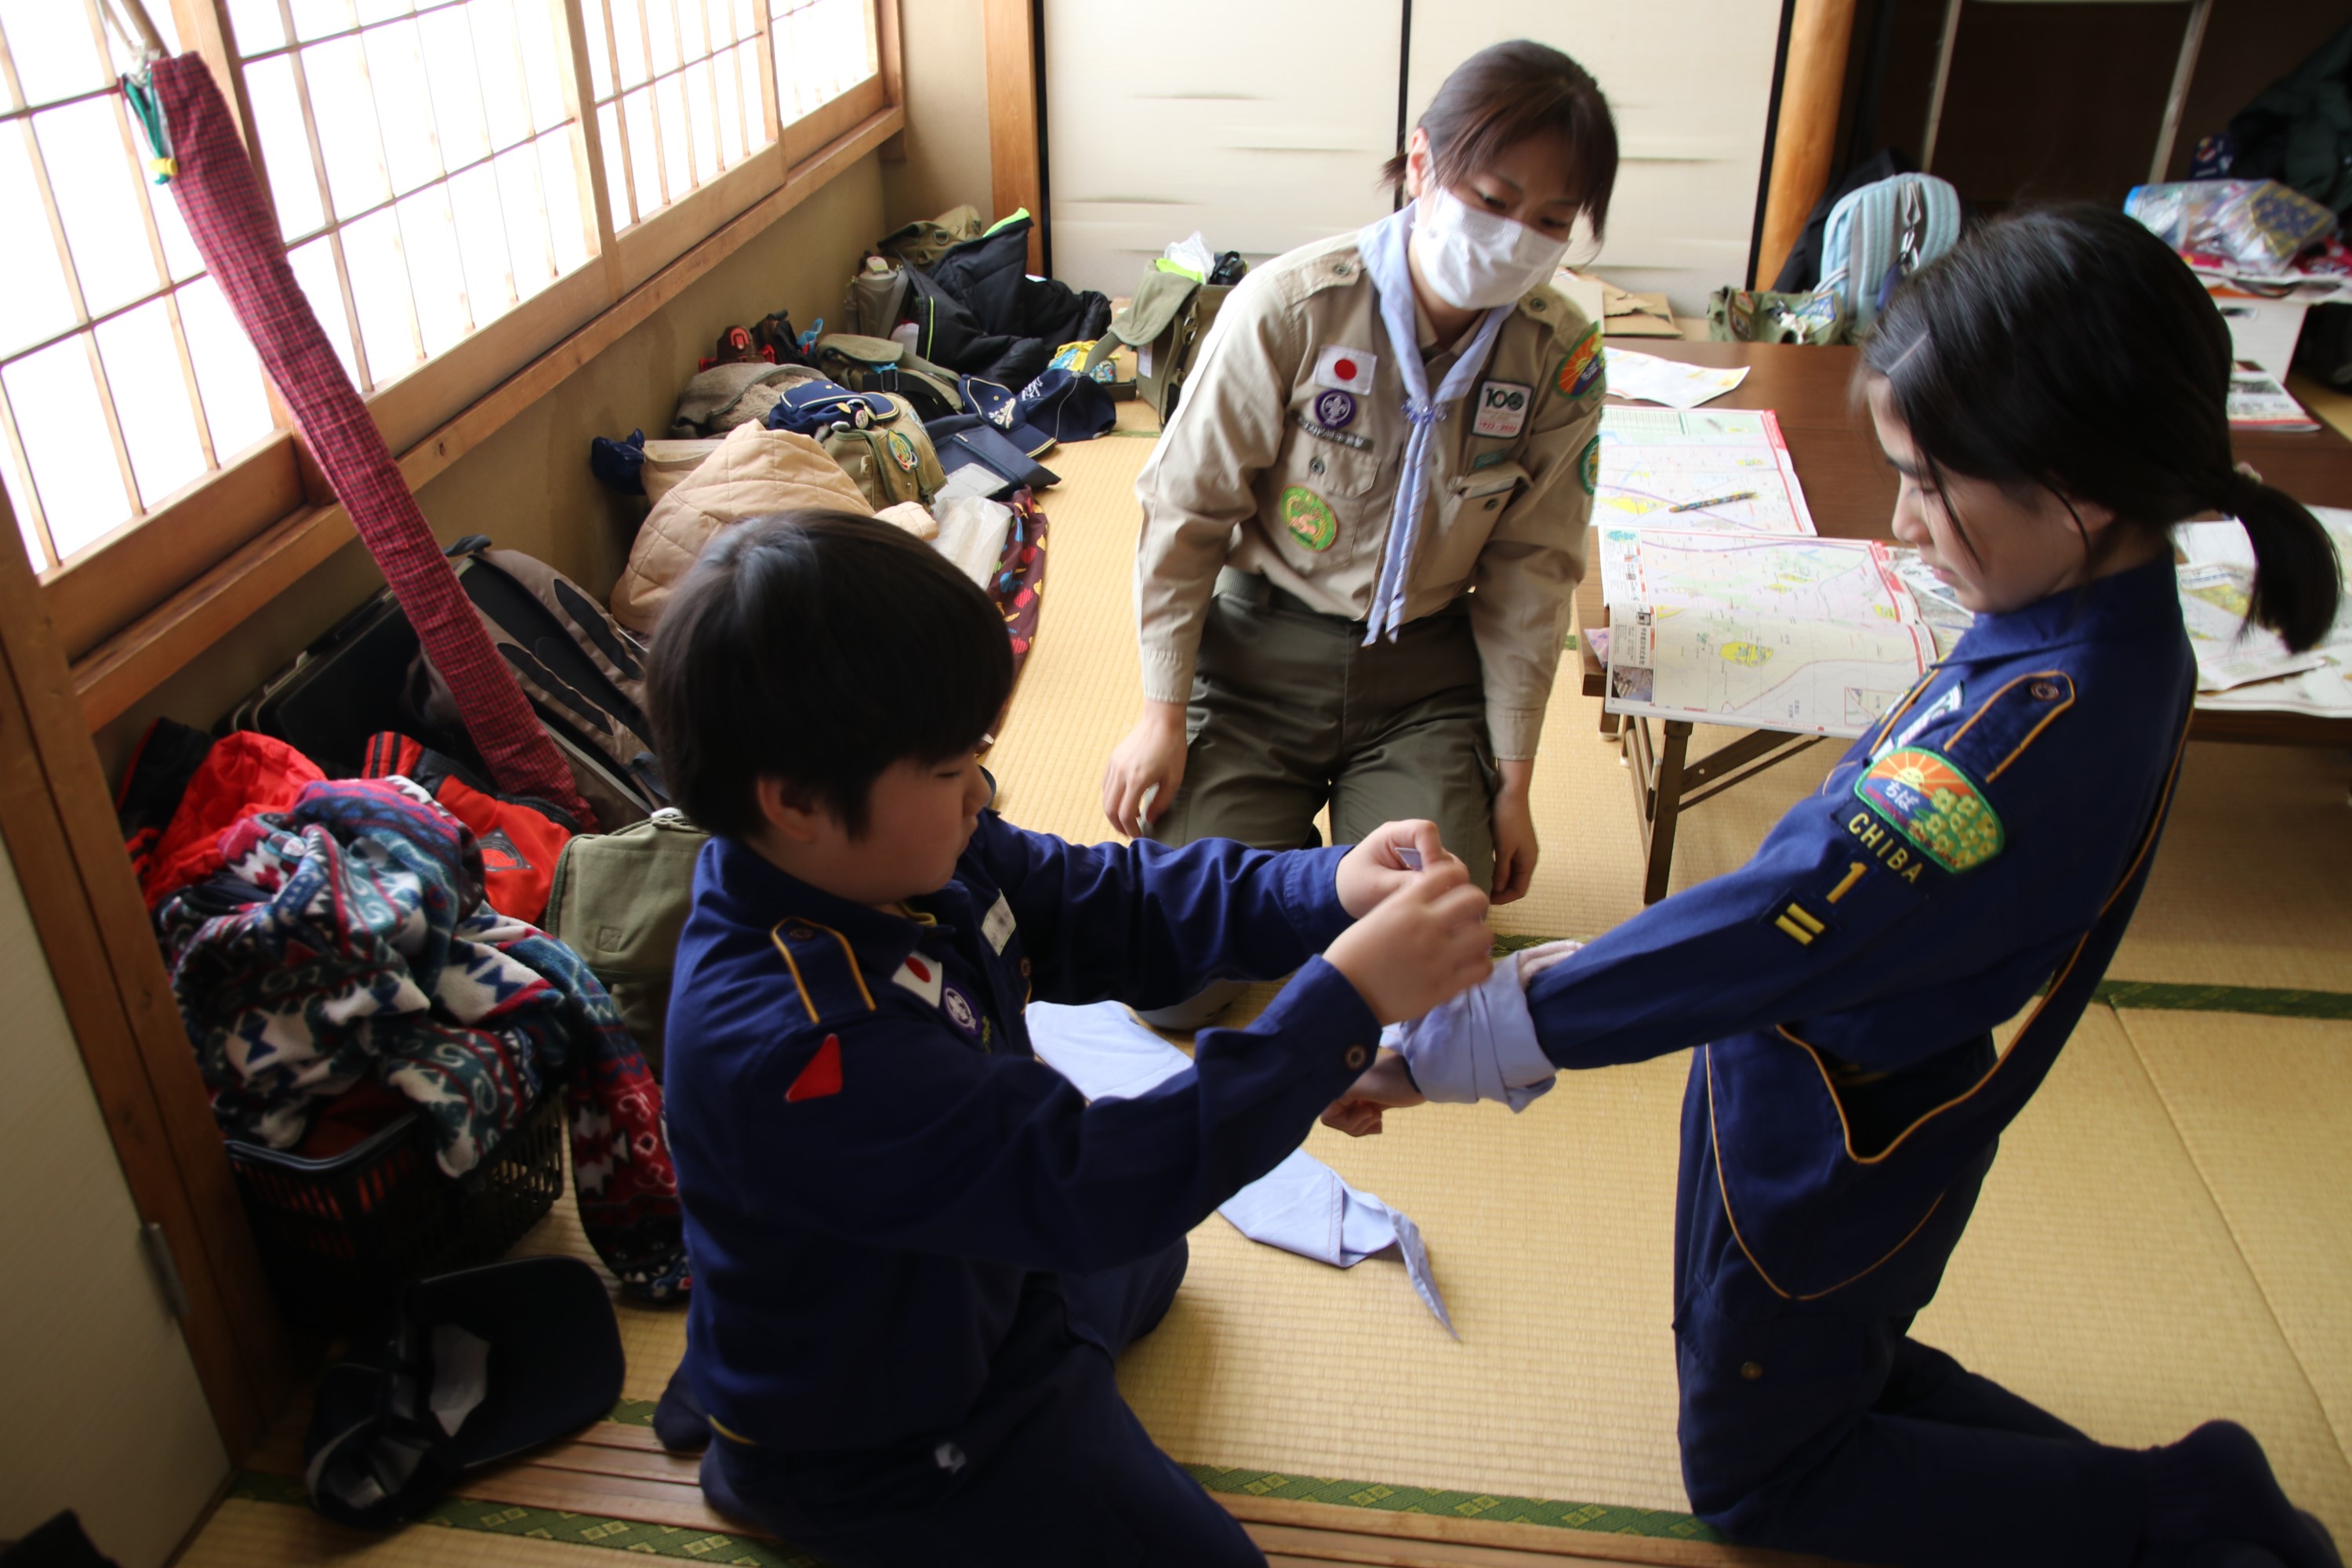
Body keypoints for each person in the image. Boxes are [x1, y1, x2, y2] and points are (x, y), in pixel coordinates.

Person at [1323, 207, 2346, 1568]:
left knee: (1760, 1478)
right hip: (1828, 1065)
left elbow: (1773, 927)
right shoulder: (2092, 619)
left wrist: (1446, 1047)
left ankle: (2186, 1513)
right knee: (1794, 1355)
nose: (1908, 524)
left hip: (1838, 1121)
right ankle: (2155, 1484)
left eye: (1929, 483)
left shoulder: (2028, 730)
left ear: (2081, 487)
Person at [642, 511, 1497, 1568]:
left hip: (977, 1268)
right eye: (951, 769)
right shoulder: (799, 1048)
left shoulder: (899, 858)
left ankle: (935, 1381)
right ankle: (772, 1464)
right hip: (897, 1437)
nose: (981, 792)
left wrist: (1324, 886)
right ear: (799, 801)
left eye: (980, 756)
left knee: (1158, 1253)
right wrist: (1340, 1007)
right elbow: (1093, 1180)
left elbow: (1107, 901)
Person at [1101, 41, 1620, 1026]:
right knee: (1172, 988)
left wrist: (1514, 780)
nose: (1517, 237)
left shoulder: (1561, 354)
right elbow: (1185, 512)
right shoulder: (1291, 307)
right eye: (1495, 199)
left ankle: (1315, 868)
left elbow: (1534, 573)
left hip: (1422, 686)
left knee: (1431, 983)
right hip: (1256, 663)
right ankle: (1292, 859)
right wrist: (1161, 713)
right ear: (1421, 163)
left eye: (1553, 221)